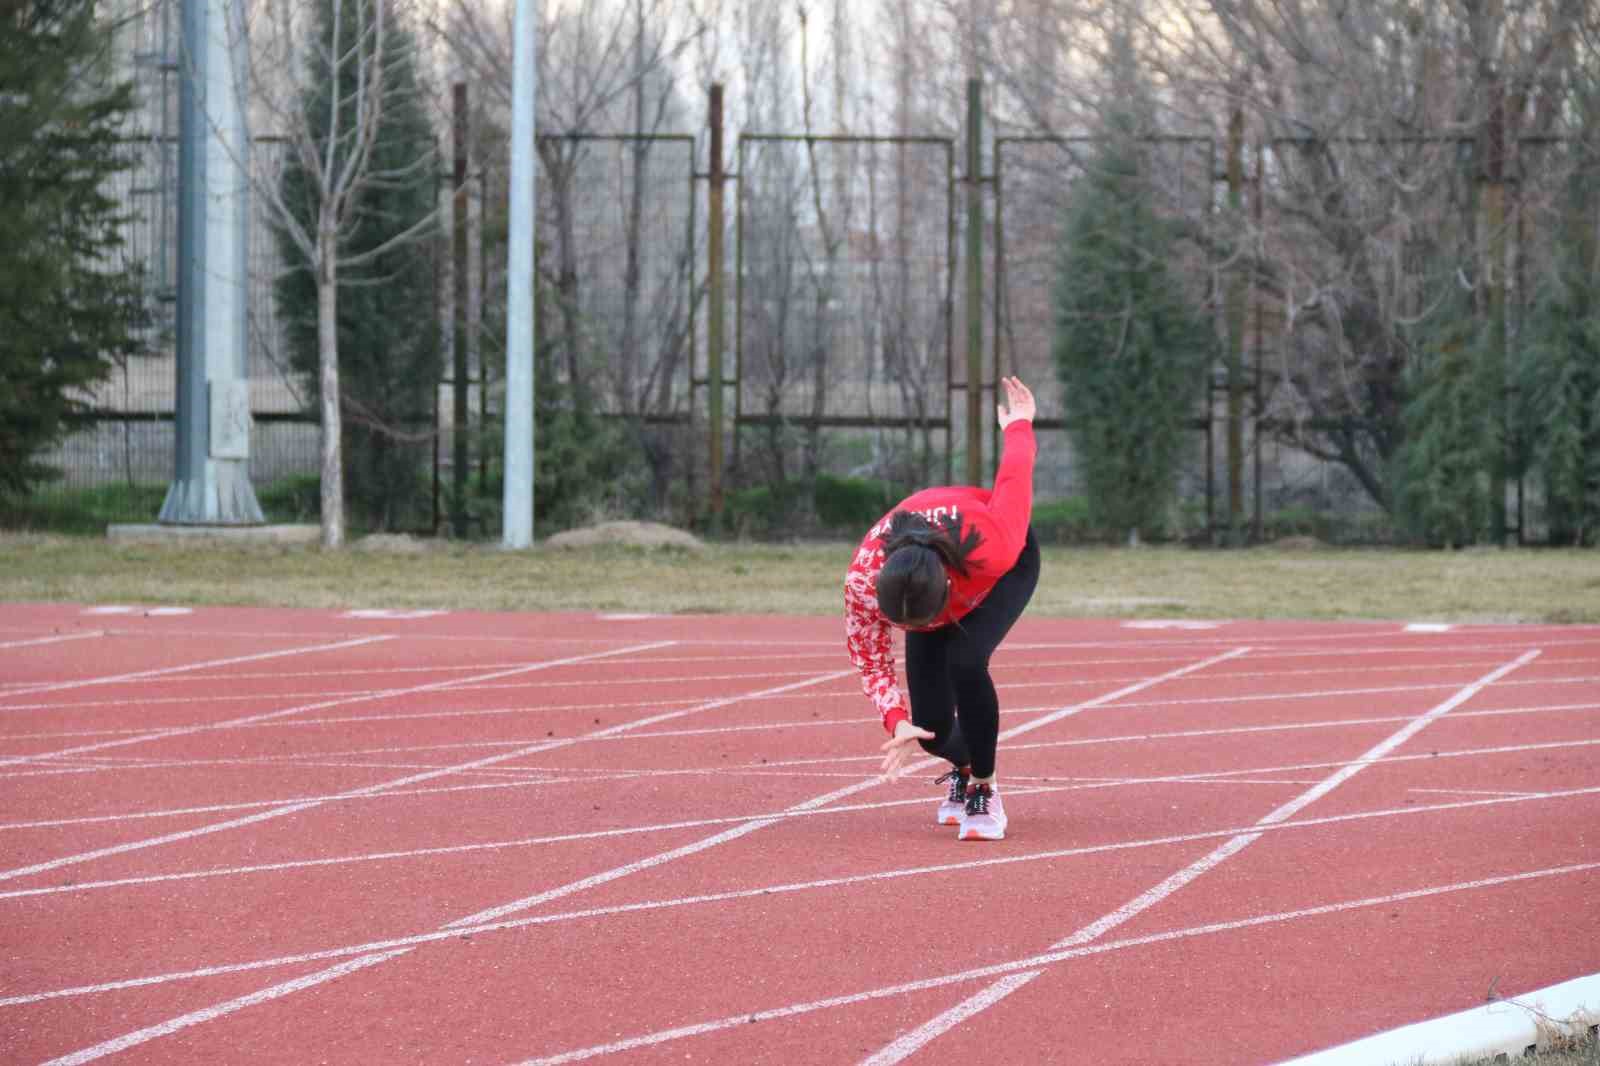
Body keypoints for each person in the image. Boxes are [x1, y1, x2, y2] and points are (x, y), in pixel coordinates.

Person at [843, 375, 1040, 841]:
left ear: (947, 586)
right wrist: (897, 719)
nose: (919, 629)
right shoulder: (862, 583)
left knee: (966, 660)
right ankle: (965, 765)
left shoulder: (993, 545)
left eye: (927, 621)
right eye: (906, 625)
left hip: (1004, 570)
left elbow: (1014, 476)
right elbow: (871, 661)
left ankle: (985, 788)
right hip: (923, 582)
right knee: (930, 725)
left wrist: (1019, 425)